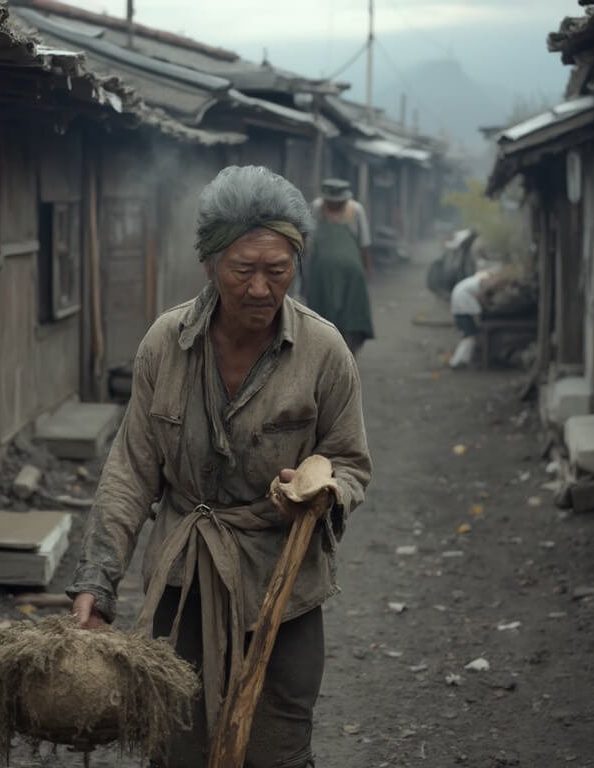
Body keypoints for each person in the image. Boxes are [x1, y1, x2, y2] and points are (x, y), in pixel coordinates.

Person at [67, 166, 372, 768]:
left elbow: (351, 462)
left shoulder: (323, 350)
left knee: (279, 748)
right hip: (185, 583)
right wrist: (96, 584)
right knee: (177, 742)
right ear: (209, 264)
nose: (261, 288)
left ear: (296, 265)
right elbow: (131, 471)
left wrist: (321, 491)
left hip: (282, 586)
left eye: (278, 270)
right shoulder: (165, 344)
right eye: (243, 269)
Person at [304, 178, 375, 356]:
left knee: (352, 312)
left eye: (339, 202)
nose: (335, 205)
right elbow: (308, 241)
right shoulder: (316, 208)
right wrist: (304, 271)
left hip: (351, 273)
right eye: (332, 202)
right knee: (322, 312)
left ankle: (348, 354)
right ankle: (323, 352)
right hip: (322, 274)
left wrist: (367, 270)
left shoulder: (355, 209)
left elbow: (364, 243)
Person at [448, 269, 495, 369]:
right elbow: (481, 297)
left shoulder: (471, 282)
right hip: (463, 306)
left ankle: (464, 360)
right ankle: (456, 362)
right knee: (469, 337)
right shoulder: (478, 282)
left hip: (459, 306)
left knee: (470, 337)